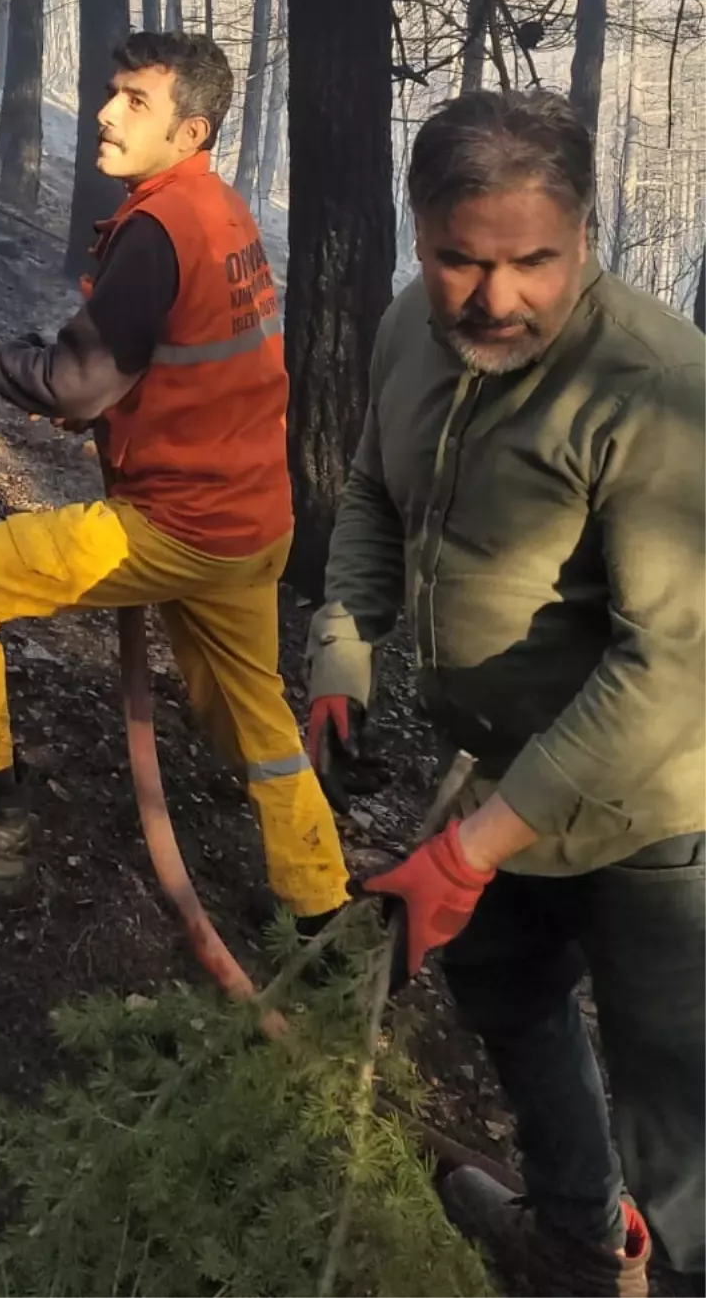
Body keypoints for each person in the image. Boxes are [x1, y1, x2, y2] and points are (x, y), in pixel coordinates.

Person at [306, 87, 706, 1298]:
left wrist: (471, 848)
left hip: (648, 821)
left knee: (678, 1109)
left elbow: (671, 663)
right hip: (497, 783)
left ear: (584, 234)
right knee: (508, 998)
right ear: (418, 230)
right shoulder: (405, 333)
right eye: (459, 260)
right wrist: (343, 645)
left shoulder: (655, 387)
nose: (496, 298)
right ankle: (576, 1243)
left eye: (534, 261)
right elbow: (375, 493)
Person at [0, 30, 349, 933]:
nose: (106, 113)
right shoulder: (219, 211)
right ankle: (319, 909)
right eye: (111, 92)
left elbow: (81, 380)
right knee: (260, 725)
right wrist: (25, 370)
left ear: (191, 131)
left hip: (175, 523)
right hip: (251, 519)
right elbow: (141, 363)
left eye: (135, 102)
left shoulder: (159, 228)